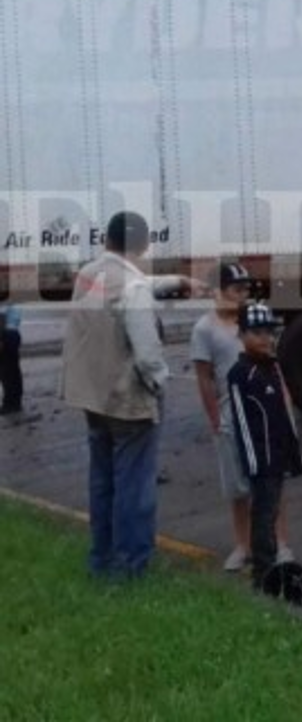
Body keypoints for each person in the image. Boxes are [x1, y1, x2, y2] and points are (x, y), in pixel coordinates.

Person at [61, 211, 170, 579]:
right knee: (134, 488)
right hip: (127, 401)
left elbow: (127, 288)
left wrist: (177, 281)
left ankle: (102, 558)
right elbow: (147, 351)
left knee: (103, 481)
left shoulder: (90, 276)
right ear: (142, 246)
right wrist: (159, 382)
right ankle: (130, 566)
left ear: (106, 240)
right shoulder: (133, 286)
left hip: (93, 397)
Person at [191, 262, 293, 572]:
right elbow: (205, 378)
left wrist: (285, 405)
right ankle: (244, 545)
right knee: (238, 487)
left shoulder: (254, 321)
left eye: (245, 289)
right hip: (230, 416)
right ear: (217, 292)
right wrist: (214, 419)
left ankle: (280, 542)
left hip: (263, 413)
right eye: (236, 289)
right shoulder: (205, 329)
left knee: (272, 481)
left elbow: (273, 364)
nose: (242, 295)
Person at [227, 301, 302, 590]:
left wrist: (292, 452)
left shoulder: (271, 366)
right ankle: (262, 570)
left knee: (272, 510)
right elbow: (243, 424)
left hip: (278, 453)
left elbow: (283, 413)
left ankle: (271, 558)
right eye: (257, 332)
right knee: (263, 512)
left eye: (269, 332)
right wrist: (254, 462)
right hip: (261, 458)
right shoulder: (240, 373)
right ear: (242, 334)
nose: (265, 338)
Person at [1, 301, 40, 423]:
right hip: (12, 333)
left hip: (6, 334)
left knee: (7, 372)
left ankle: (11, 404)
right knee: (12, 371)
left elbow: (2, 316)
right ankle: (14, 402)